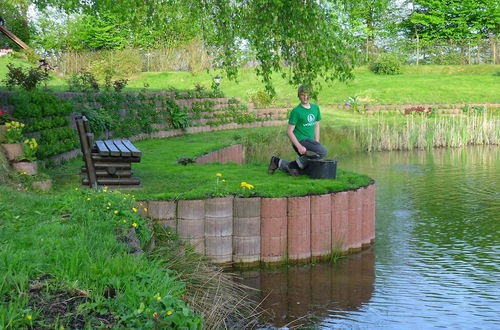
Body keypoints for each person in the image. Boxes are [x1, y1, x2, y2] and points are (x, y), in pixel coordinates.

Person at [268, 85, 328, 176]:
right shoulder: (296, 111)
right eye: (302, 95)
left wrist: (317, 142)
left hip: (310, 142)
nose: (305, 97)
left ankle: (277, 162)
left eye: (307, 94)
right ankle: (293, 166)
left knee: (305, 170)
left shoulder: (315, 108)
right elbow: (289, 132)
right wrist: (299, 146)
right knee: (323, 151)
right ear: (299, 96)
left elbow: (316, 125)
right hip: (301, 141)